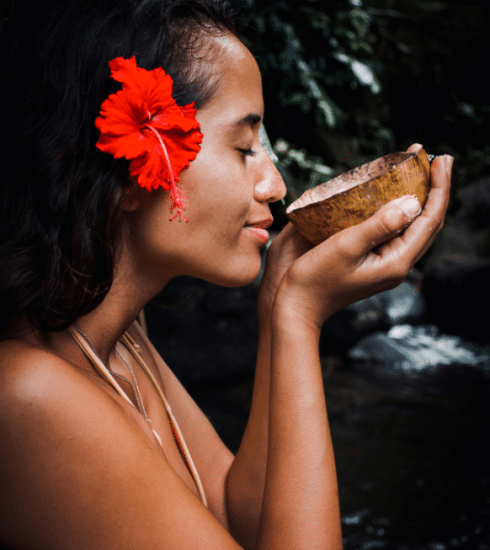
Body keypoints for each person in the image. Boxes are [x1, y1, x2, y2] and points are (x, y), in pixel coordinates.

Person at [0, 0, 452, 548]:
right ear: (125, 166)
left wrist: (277, 308)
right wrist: (299, 319)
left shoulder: (120, 343)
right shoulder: (29, 394)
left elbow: (240, 516)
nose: (276, 185)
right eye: (244, 148)